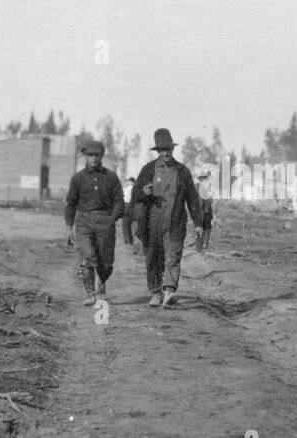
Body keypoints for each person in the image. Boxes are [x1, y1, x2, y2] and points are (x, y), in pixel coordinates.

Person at [127, 128, 203, 308]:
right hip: (152, 223)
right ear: (158, 152)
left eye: (168, 149)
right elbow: (135, 195)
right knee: (153, 259)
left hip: (175, 222)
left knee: (173, 256)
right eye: (162, 150)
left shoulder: (182, 171)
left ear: (173, 149)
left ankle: (169, 291)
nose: (166, 153)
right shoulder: (148, 170)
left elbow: (192, 197)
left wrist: (198, 223)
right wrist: (144, 192)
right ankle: (155, 292)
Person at [65, 139, 125, 306]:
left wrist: (112, 218)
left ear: (102, 156)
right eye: (90, 155)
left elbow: (119, 200)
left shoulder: (111, 177)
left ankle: (101, 281)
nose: (93, 158)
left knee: (106, 263)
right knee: (88, 258)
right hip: (84, 222)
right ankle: (90, 293)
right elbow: (71, 203)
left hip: (105, 222)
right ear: (85, 156)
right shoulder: (78, 178)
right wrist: (69, 227)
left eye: (97, 155)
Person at [194, 168, 215, 251]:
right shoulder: (196, 186)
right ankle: (199, 247)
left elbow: (211, 199)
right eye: (202, 178)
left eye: (204, 178)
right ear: (200, 179)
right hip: (199, 211)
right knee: (199, 228)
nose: (203, 179)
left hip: (207, 211)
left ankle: (205, 244)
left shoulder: (208, 186)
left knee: (207, 228)